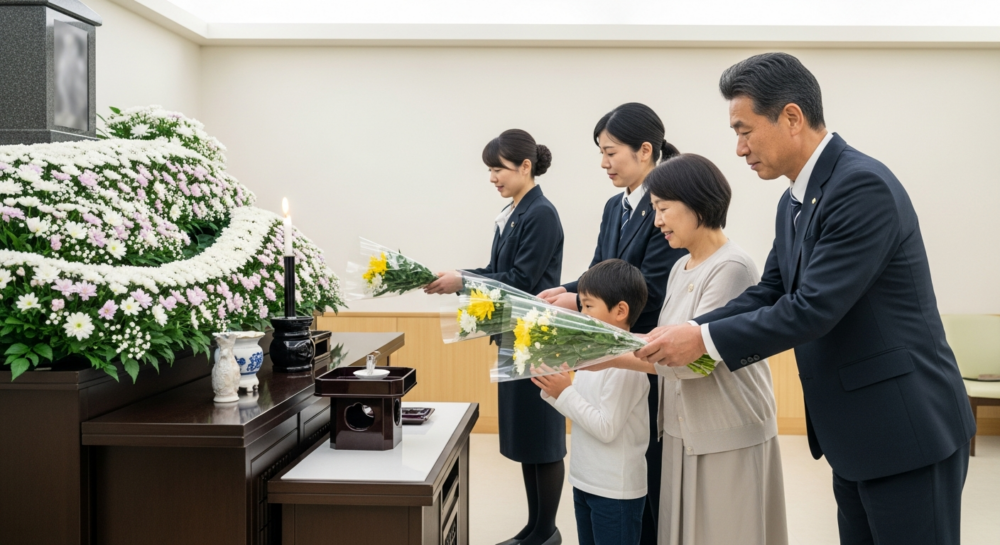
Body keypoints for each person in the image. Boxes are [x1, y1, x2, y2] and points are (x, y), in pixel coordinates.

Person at [637, 53, 976, 545]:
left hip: (905, 429)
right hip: (855, 433)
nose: (738, 149)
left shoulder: (860, 186)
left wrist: (703, 339)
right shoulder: (796, 198)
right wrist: (690, 329)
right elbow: (770, 291)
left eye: (744, 130)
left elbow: (813, 308)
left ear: (792, 117)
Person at [593, 154, 787, 545]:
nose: (658, 220)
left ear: (697, 202)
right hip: (684, 430)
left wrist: (603, 356)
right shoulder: (680, 268)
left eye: (663, 209)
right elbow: (665, 342)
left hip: (725, 432)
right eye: (653, 210)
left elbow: (693, 362)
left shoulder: (731, 267)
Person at [538, 103, 686, 543]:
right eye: (600, 154)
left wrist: (578, 299)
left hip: (645, 349)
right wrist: (566, 292)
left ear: (645, 151)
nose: (603, 164)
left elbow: (651, 289)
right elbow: (603, 272)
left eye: (610, 153)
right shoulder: (614, 206)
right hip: (607, 342)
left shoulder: (666, 207)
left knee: (646, 481)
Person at [424, 129, 566, 545]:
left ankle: (546, 530)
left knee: (542, 439)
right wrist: (455, 278)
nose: (492, 177)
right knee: (526, 437)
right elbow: (495, 270)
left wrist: (462, 282)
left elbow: (520, 281)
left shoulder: (541, 213)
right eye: (489, 169)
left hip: (536, 337)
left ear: (526, 167)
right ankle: (534, 527)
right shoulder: (517, 211)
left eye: (498, 169)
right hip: (516, 335)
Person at [532, 259, 651, 545]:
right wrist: (551, 386)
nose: (581, 314)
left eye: (587, 306)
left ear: (620, 310)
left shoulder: (629, 362)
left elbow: (605, 427)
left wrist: (563, 392)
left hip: (615, 492)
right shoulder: (593, 352)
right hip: (585, 481)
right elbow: (579, 405)